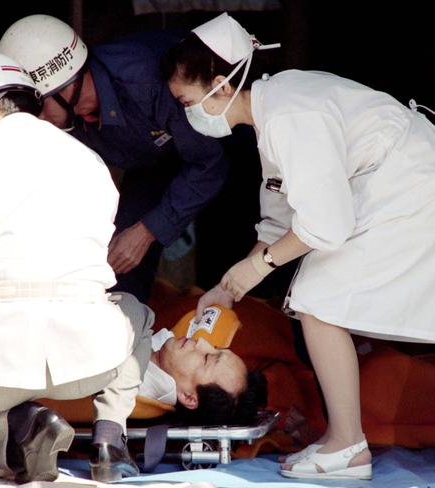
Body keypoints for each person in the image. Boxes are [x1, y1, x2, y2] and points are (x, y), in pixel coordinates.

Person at [161, 12, 435, 480]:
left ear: (222, 86)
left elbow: (324, 225)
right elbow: (279, 220)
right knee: (317, 298)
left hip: (408, 190)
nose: (189, 114)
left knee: (318, 301)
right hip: (390, 191)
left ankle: (348, 445)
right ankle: (343, 439)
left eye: (188, 101)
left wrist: (261, 266)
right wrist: (231, 285)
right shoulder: (275, 111)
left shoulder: (290, 113)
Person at [0, 52, 152, 483]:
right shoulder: (89, 159)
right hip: (89, 360)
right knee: (137, 312)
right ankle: (110, 439)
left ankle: (23, 427)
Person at [0, 14, 230, 303]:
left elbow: (209, 165)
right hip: (152, 161)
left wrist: (146, 231)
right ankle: (128, 336)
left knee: (229, 240)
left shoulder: (147, 80)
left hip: (222, 144)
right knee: (119, 254)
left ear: (67, 85)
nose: (40, 119)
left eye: (40, 106)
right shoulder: (64, 118)